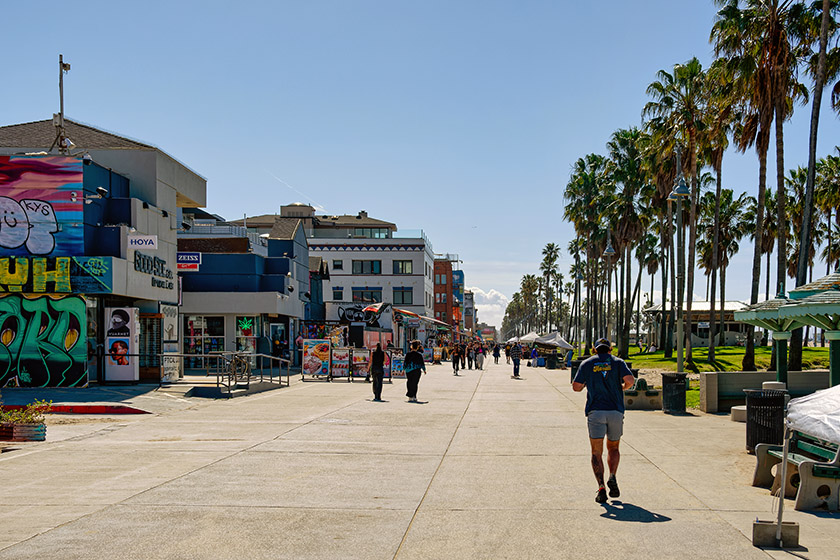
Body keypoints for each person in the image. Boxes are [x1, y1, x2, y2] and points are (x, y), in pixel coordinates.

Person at [572, 338, 635, 504]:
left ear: (594, 349)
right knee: (613, 447)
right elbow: (630, 380)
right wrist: (622, 388)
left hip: (596, 412)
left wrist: (589, 383)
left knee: (596, 452)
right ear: (610, 349)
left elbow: (576, 386)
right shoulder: (618, 362)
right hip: (615, 411)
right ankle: (612, 476)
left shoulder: (587, 363)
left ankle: (601, 487)